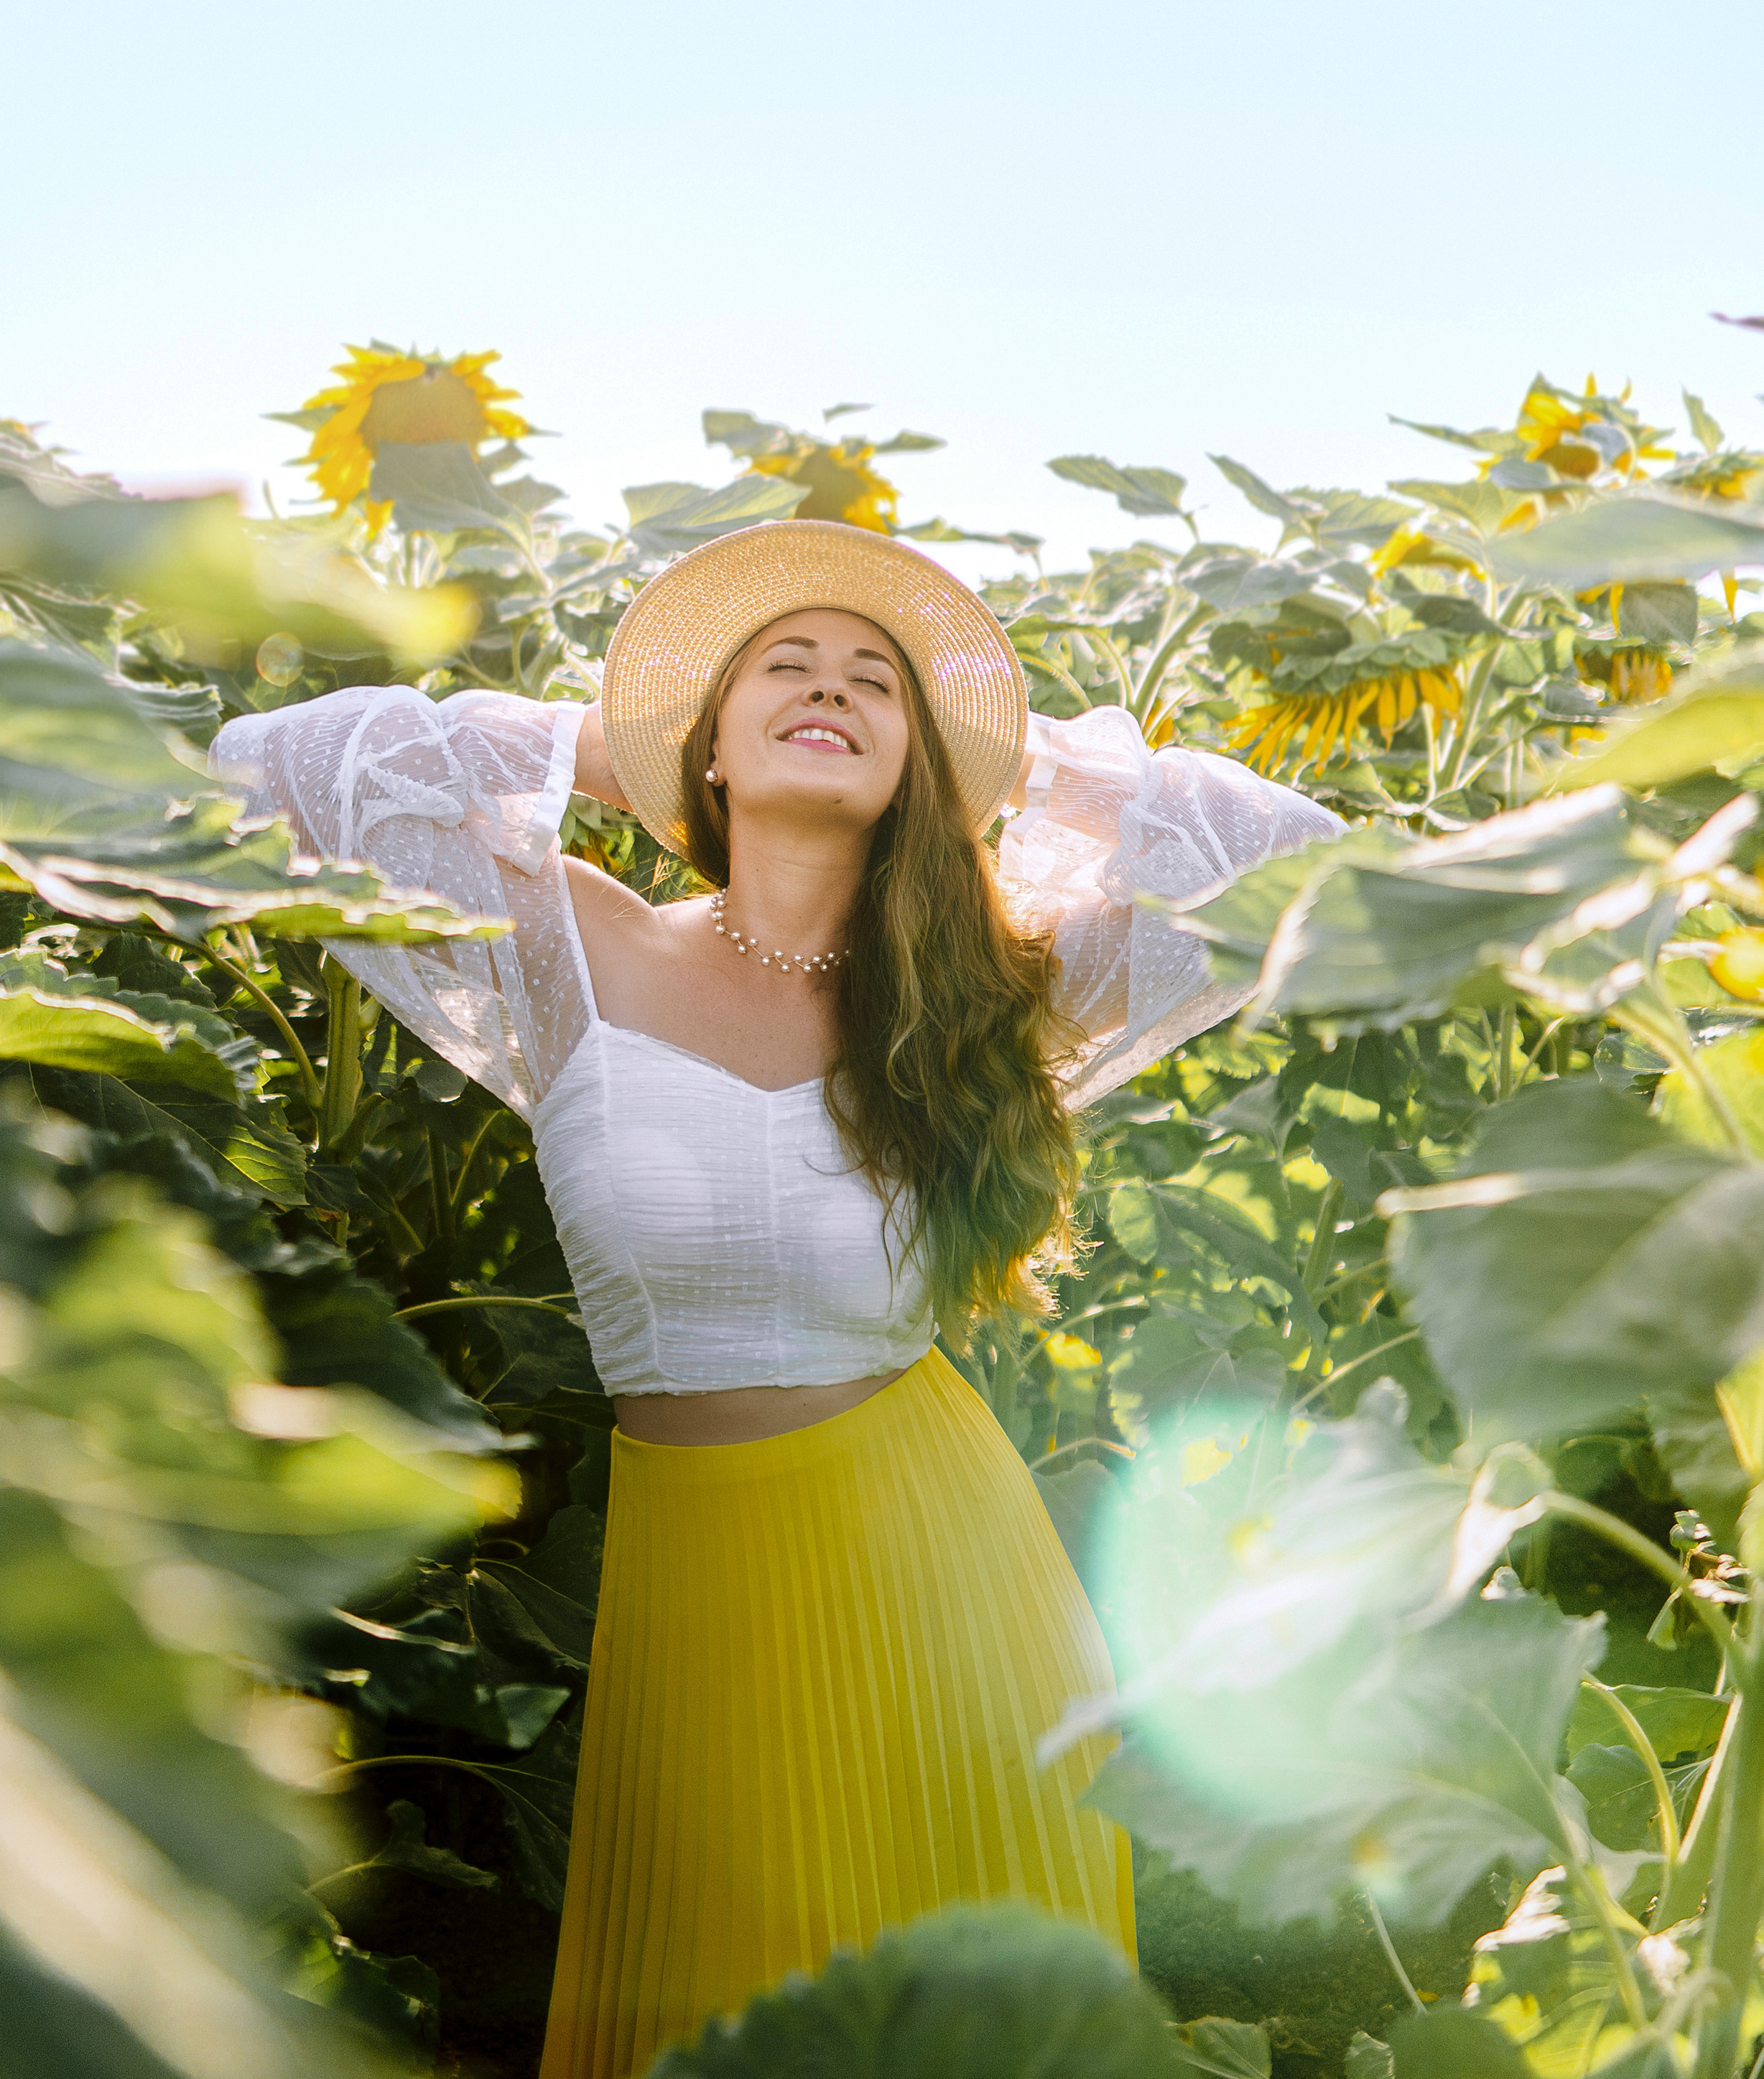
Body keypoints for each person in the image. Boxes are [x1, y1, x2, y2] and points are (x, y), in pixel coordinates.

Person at [212, 519, 1340, 2078]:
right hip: (696, 1584)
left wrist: (998, 769)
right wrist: (626, 748)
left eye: (878, 682)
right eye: (781, 672)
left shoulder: (980, 1004)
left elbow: (1293, 855)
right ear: (708, 749)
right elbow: (276, 769)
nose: (831, 687)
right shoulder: (571, 954)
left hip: (948, 1577)